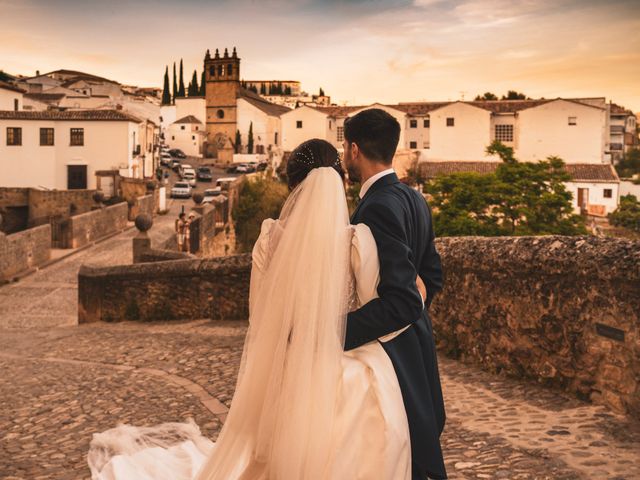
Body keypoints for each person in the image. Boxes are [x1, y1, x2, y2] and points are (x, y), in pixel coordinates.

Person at [87, 137, 438, 480]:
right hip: (350, 372)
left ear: (293, 186)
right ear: (337, 184)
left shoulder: (270, 238)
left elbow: (261, 315)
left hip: (293, 362)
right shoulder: (358, 241)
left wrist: (298, 338)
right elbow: (376, 305)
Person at [343, 109, 447, 479]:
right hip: (419, 342)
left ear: (353, 149)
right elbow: (431, 276)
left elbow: (400, 300)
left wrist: (335, 333)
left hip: (394, 351)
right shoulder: (414, 198)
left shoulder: (377, 208)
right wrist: (417, 305)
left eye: (345, 146)